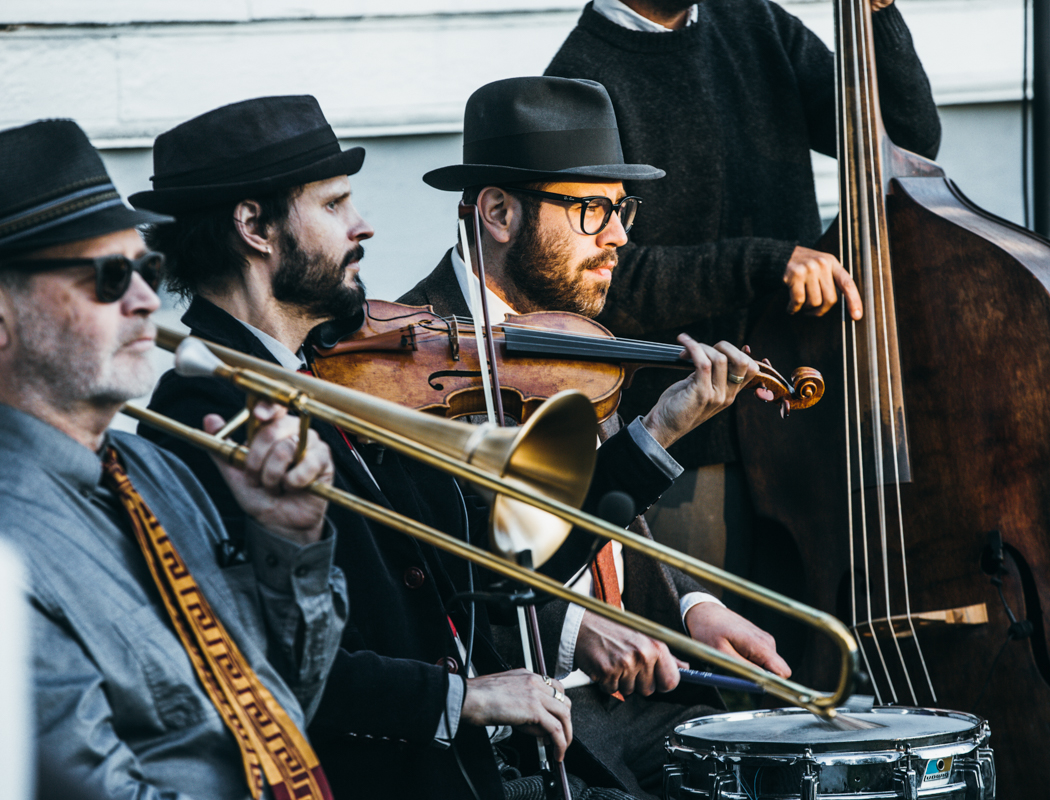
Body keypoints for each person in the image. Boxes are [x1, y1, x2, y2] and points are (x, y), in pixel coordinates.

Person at [131, 94, 731, 800]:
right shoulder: (202, 415)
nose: (363, 226)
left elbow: (508, 564)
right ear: (254, 227)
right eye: (333, 206)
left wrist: (655, 436)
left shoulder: (340, 381)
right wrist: (463, 698)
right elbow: (249, 664)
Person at [408, 76, 793, 800]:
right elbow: (439, 552)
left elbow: (614, 513)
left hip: (638, 697)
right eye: (591, 209)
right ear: (497, 212)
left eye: (621, 210)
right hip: (528, 720)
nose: (619, 237)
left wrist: (690, 608)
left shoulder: (579, 338)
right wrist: (576, 631)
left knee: (798, 749)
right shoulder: (409, 361)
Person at [543, 0, 941, 663]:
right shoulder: (580, 79)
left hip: (805, 416)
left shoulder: (758, 24)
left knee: (816, 665)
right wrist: (762, 263)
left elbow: (905, 138)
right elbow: (607, 283)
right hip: (691, 447)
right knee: (716, 684)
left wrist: (880, 17)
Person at [0, 118, 347, 800]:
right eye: (106, 276)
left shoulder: (153, 470)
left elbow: (284, 701)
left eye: (146, 268)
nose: (146, 300)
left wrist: (291, 540)